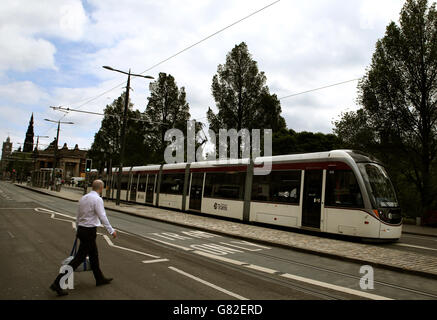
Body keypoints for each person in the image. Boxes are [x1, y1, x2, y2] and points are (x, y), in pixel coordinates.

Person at [50, 179, 117, 296]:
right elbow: (102, 216)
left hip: (82, 229)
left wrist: (77, 228)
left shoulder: (84, 198)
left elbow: (78, 215)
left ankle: (99, 278)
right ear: (101, 188)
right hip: (89, 231)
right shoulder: (97, 199)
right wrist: (111, 231)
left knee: (94, 256)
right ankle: (57, 283)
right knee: (78, 259)